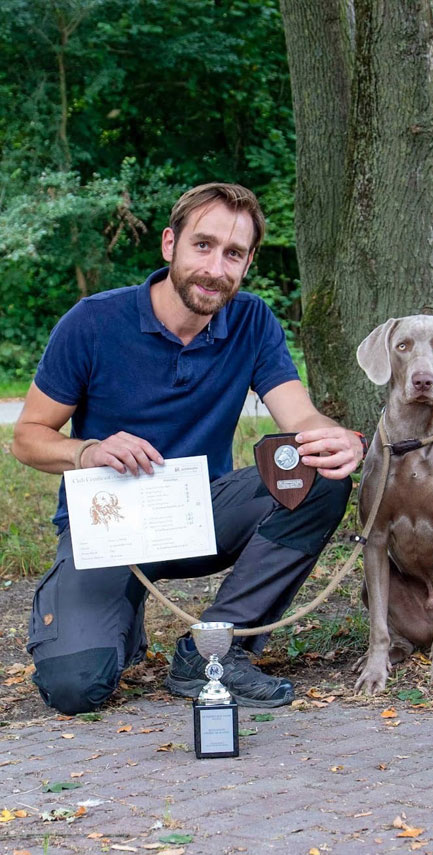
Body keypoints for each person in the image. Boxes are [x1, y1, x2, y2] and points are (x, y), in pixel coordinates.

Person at [12, 182, 365, 715]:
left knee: (319, 473)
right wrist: (88, 451)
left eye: (233, 254)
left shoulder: (252, 321)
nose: (215, 268)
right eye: (203, 245)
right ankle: (116, 622)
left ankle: (215, 649)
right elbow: (27, 437)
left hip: (200, 514)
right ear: (169, 244)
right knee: (75, 687)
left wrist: (339, 439)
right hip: (109, 524)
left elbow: (301, 420)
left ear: (246, 264)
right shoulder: (92, 322)